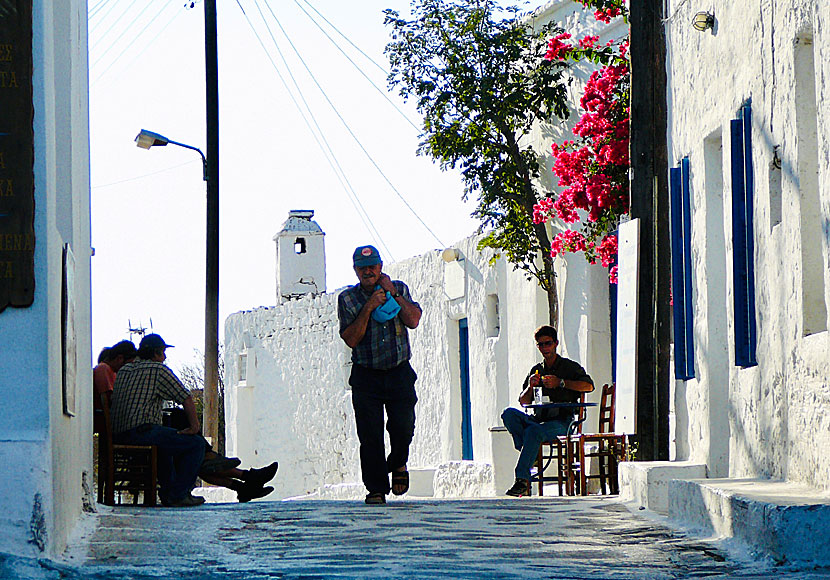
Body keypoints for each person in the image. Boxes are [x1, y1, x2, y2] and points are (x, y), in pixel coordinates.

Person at [111, 333, 278, 506]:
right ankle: (182, 493)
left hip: (119, 434)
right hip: (142, 433)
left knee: (175, 446)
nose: (165, 357)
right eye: (162, 352)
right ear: (155, 354)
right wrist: (194, 427)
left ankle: (243, 485)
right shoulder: (157, 369)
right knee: (195, 445)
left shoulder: (125, 370)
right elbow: (186, 397)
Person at [337, 245, 422, 505]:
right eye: (362, 268)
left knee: (403, 426)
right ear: (355, 270)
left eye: (372, 266)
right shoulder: (348, 299)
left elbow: (414, 319)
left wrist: (393, 294)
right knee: (370, 435)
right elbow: (351, 338)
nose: (368, 271)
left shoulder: (399, 289)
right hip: (366, 375)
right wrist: (369, 307)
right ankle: (376, 488)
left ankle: (398, 463)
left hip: (398, 371)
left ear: (381, 266)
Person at [501, 325, 594, 497]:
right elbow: (523, 401)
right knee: (509, 414)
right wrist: (530, 386)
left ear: (556, 343)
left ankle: (521, 479)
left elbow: (589, 386)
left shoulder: (569, 367)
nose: (545, 348)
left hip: (562, 421)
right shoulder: (537, 369)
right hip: (538, 420)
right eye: (541, 345)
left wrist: (562, 383)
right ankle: (530, 448)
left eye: (548, 343)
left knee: (533, 431)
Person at [93, 340, 137, 412]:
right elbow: (105, 400)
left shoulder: (113, 373)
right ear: (120, 358)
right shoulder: (103, 368)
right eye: (128, 364)